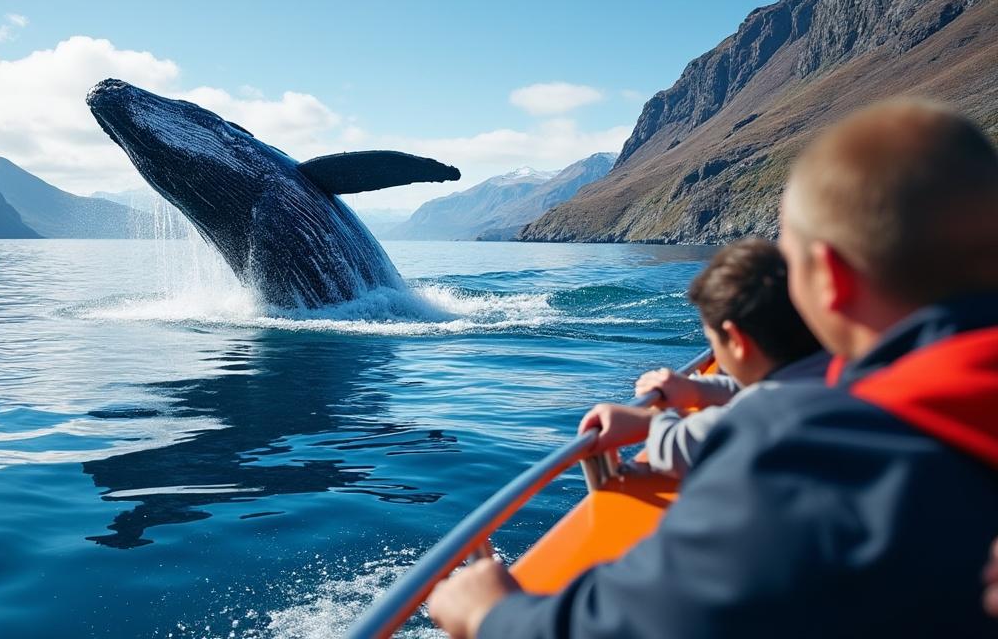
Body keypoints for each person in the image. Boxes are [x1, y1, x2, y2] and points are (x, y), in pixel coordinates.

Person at [428, 100, 998, 638]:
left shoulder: (804, 454)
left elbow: (631, 624)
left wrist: (491, 613)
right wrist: (678, 411)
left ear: (829, 276)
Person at [577, 238, 824, 477]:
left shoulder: (774, 418)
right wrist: (697, 390)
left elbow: (706, 440)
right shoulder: (828, 371)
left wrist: (649, 424)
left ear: (736, 341)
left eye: (712, 341)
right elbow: (757, 390)